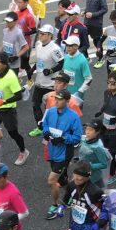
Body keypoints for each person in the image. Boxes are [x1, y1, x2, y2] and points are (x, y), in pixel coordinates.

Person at [42, 89, 84, 217]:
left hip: (64, 154)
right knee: (61, 179)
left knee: (51, 181)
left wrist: (64, 138)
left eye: (59, 99)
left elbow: (77, 137)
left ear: (66, 101)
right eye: (56, 98)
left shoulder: (73, 116)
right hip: (51, 151)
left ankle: (56, 205)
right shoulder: (50, 112)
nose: (56, 101)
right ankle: (73, 189)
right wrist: (46, 133)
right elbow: (45, 125)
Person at [58, 161, 104, 230]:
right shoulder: (72, 185)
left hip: (89, 227)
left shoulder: (95, 192)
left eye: (81, 177)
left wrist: (99, 223)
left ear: (88, 177)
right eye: (76, 175)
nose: (77, 179)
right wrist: (61, 207)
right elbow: (66, 198)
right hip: (74, 223)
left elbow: (105, 209)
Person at [0, 53, 28, 165]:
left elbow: (18, 95)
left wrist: (4, 101)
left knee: (13, 134)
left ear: (5, 64)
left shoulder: (11, 77)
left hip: (8, 111)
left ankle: (23, 151)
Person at [84, 0, 108, 65]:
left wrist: (93, 14)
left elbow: (105, 9)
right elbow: (89, 7)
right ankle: (86, 57)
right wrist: (85, 12)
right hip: (86, 22)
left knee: (97, 41)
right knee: (83, 39)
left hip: (96, 23)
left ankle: (100, 58)